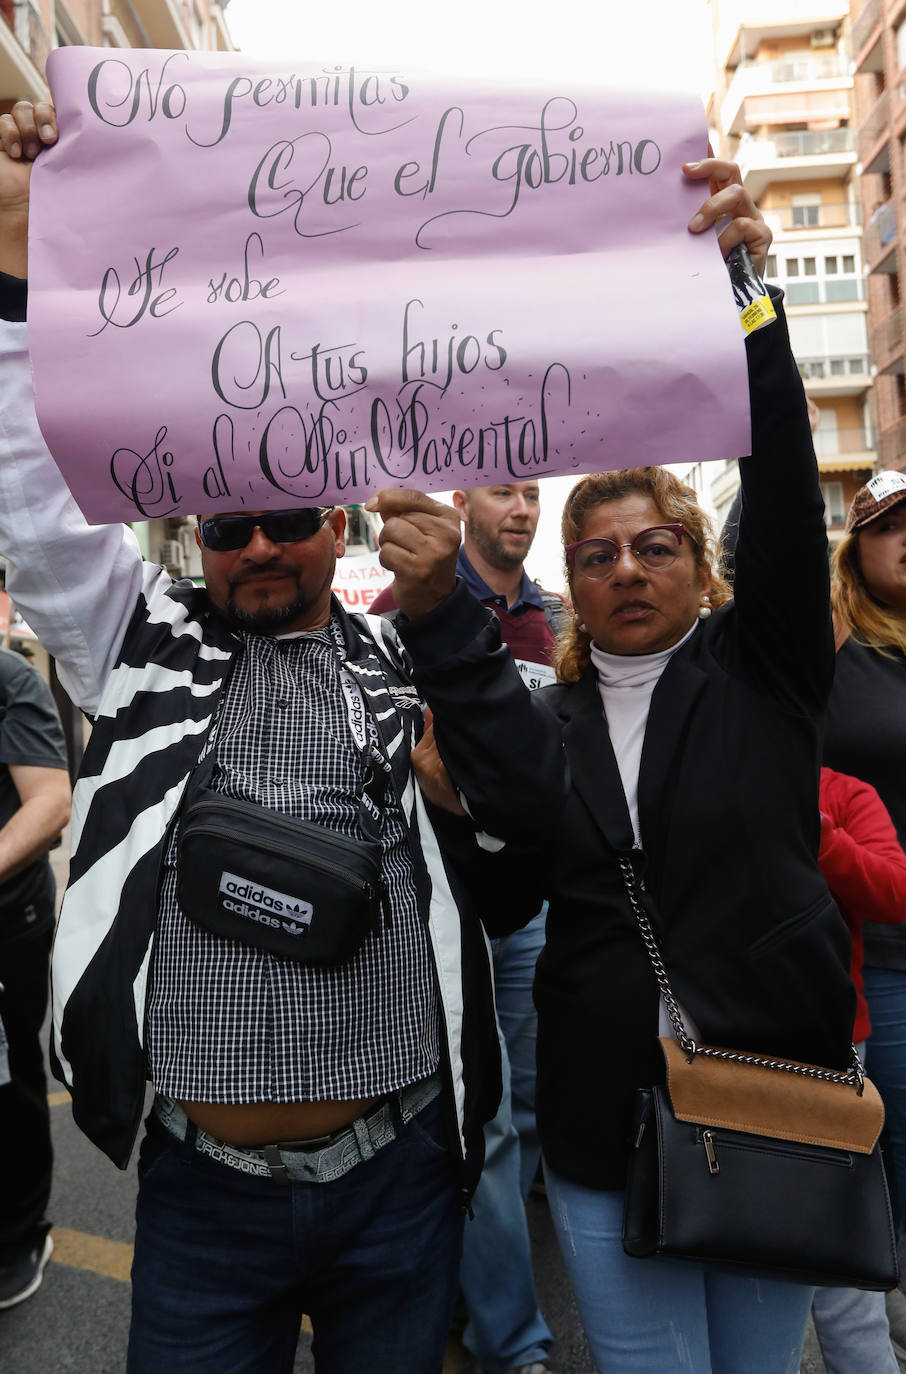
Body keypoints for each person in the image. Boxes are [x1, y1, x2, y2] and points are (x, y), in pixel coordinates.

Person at [0, 101, 566, 1374]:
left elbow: (537, 820)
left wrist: (449, 635)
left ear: (337, 524)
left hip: (399, 1181)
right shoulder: (138, 648)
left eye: (286, 514)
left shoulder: (410, 658)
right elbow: (32, 504)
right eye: (223, 525)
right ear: (192, 541)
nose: (255, 542)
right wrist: (11, 253)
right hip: (206, 1197)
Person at [420, 158, 856, 1373]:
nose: (623, 570)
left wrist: (745, 291)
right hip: (604, 1123)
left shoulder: (762, 665)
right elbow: (510, 903)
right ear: (574, 579)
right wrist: (461, 814)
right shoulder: (541, 718)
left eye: (653, 546)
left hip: (778, 1094)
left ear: (699, 566)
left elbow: (780, 487)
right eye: (597, 552)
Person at [375, 481, 565, 1374]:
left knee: (521, 1107)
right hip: (438, 905)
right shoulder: (393, 609)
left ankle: (488, 1282)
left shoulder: (557, 617)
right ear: (461, 503)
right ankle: (506, 1333)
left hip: (527, 907)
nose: (521, 508)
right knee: (472, 1119)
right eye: (503, 491)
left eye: (532, 492)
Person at [824, 469, 906, 1371]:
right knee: (902, 1161)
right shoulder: (839, 668)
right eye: (891, 525)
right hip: (891, 956)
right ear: (858, 555)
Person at [809, 764, 906, 1374]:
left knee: (842, 1267)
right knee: (738, 1243)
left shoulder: (842, 792)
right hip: (713, 1047)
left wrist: (818, 832)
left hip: (830, 1047)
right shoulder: (696, 774)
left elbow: (895, 893)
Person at [0, 645, 70, 1309]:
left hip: (5, 920)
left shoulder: (9, 678)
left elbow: (49, 802)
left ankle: (18, 1232)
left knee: (9, 1081)